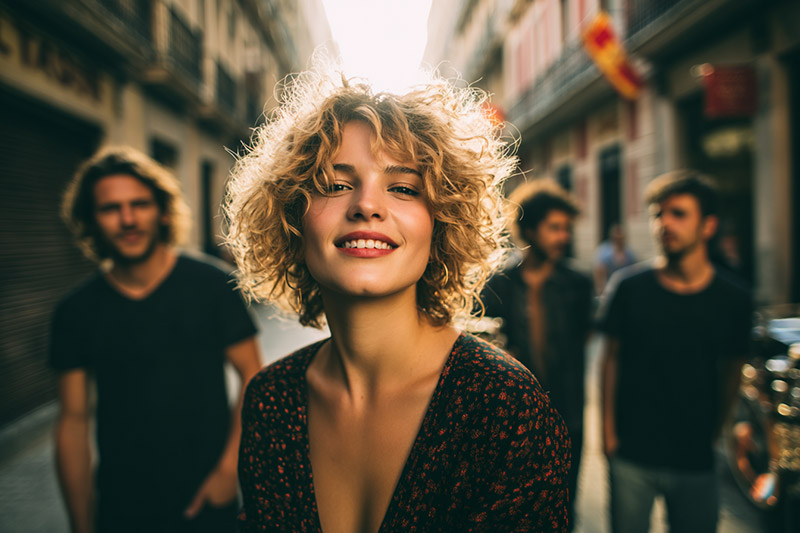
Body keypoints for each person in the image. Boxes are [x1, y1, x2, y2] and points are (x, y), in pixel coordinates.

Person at [225, 71, 571, 531]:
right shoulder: (271, 402)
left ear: (442, 223)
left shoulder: (506, 407)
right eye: (334, 183)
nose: (367, 205)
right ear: (293, 217)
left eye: (404, 187)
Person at [51, 147, 262, 533]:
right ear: (91, 220)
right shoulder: (75, 311)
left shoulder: (213, 286)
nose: (128, 219)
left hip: (210, 501)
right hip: (121, 507)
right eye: (111, 208)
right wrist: (81, 524)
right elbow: (74, 420)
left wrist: (228, 470)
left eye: (140, 204)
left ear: (163, 211)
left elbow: (253, 377)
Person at [598, 170, 752, 533]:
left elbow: (733, 369)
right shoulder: (629, 288)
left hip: (695, 456)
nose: (664, 223)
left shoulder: (734, 299)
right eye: (658, 214)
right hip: (631, 452)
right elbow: (610, 359)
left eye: (678, 214)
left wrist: (715, 433)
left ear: (708, 226)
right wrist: (608, 434)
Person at [480, 178, 593, 530]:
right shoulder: (499, 283)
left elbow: (583, 344)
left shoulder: (578, 284)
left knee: (563, 508)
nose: (564, 237)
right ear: (529, 229)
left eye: (567, 229)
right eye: (554, 228)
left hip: (567, 415)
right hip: (512, 418)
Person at [593, 223, 636, 295]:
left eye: (621, 238)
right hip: (609, 290)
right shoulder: (604, 252)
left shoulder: (629, 253)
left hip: (625, 290)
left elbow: (634, 271)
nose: (619, 240)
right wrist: (601, 290)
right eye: (617, 238)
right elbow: (599, 272)